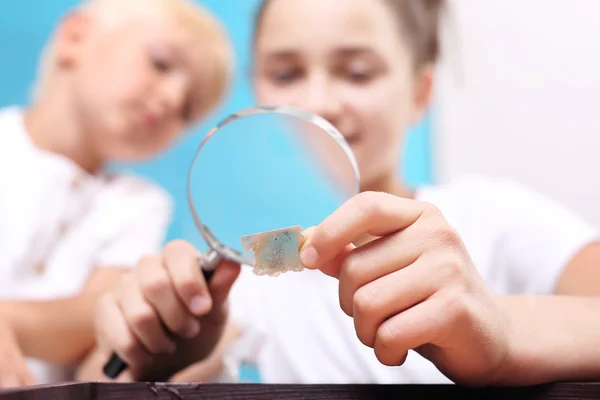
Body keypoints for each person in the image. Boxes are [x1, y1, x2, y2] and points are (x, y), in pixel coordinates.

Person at [82, 0, 600, 386]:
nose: (318, 101)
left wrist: (504, 329)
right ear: (259, 90)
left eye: (356, 72)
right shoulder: (266, 256)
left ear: (420, 92)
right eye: (285, 73)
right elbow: (103, 377)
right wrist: (161, 357)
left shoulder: (489, 215)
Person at [0, 0, 231, 388]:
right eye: (160, 63)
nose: (172, 100)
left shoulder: (138, 204)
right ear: (75, 37)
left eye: (187, 110)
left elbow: (96, 315)